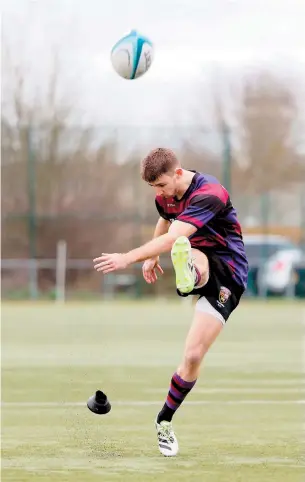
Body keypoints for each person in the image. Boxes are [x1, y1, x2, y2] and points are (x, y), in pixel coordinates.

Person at [93, 148, 248, 457]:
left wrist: (129, 257)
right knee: (191, 354)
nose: (159, 193)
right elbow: (164, 223)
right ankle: (191, 273)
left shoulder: (210, 193)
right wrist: (151, 259)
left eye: (161, 185)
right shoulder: (164, 196)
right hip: (194, 252)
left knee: (192, 354)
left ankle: (191, 272)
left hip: (229, 269)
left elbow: (172, 236)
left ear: (178, 173)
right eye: (153, 188)